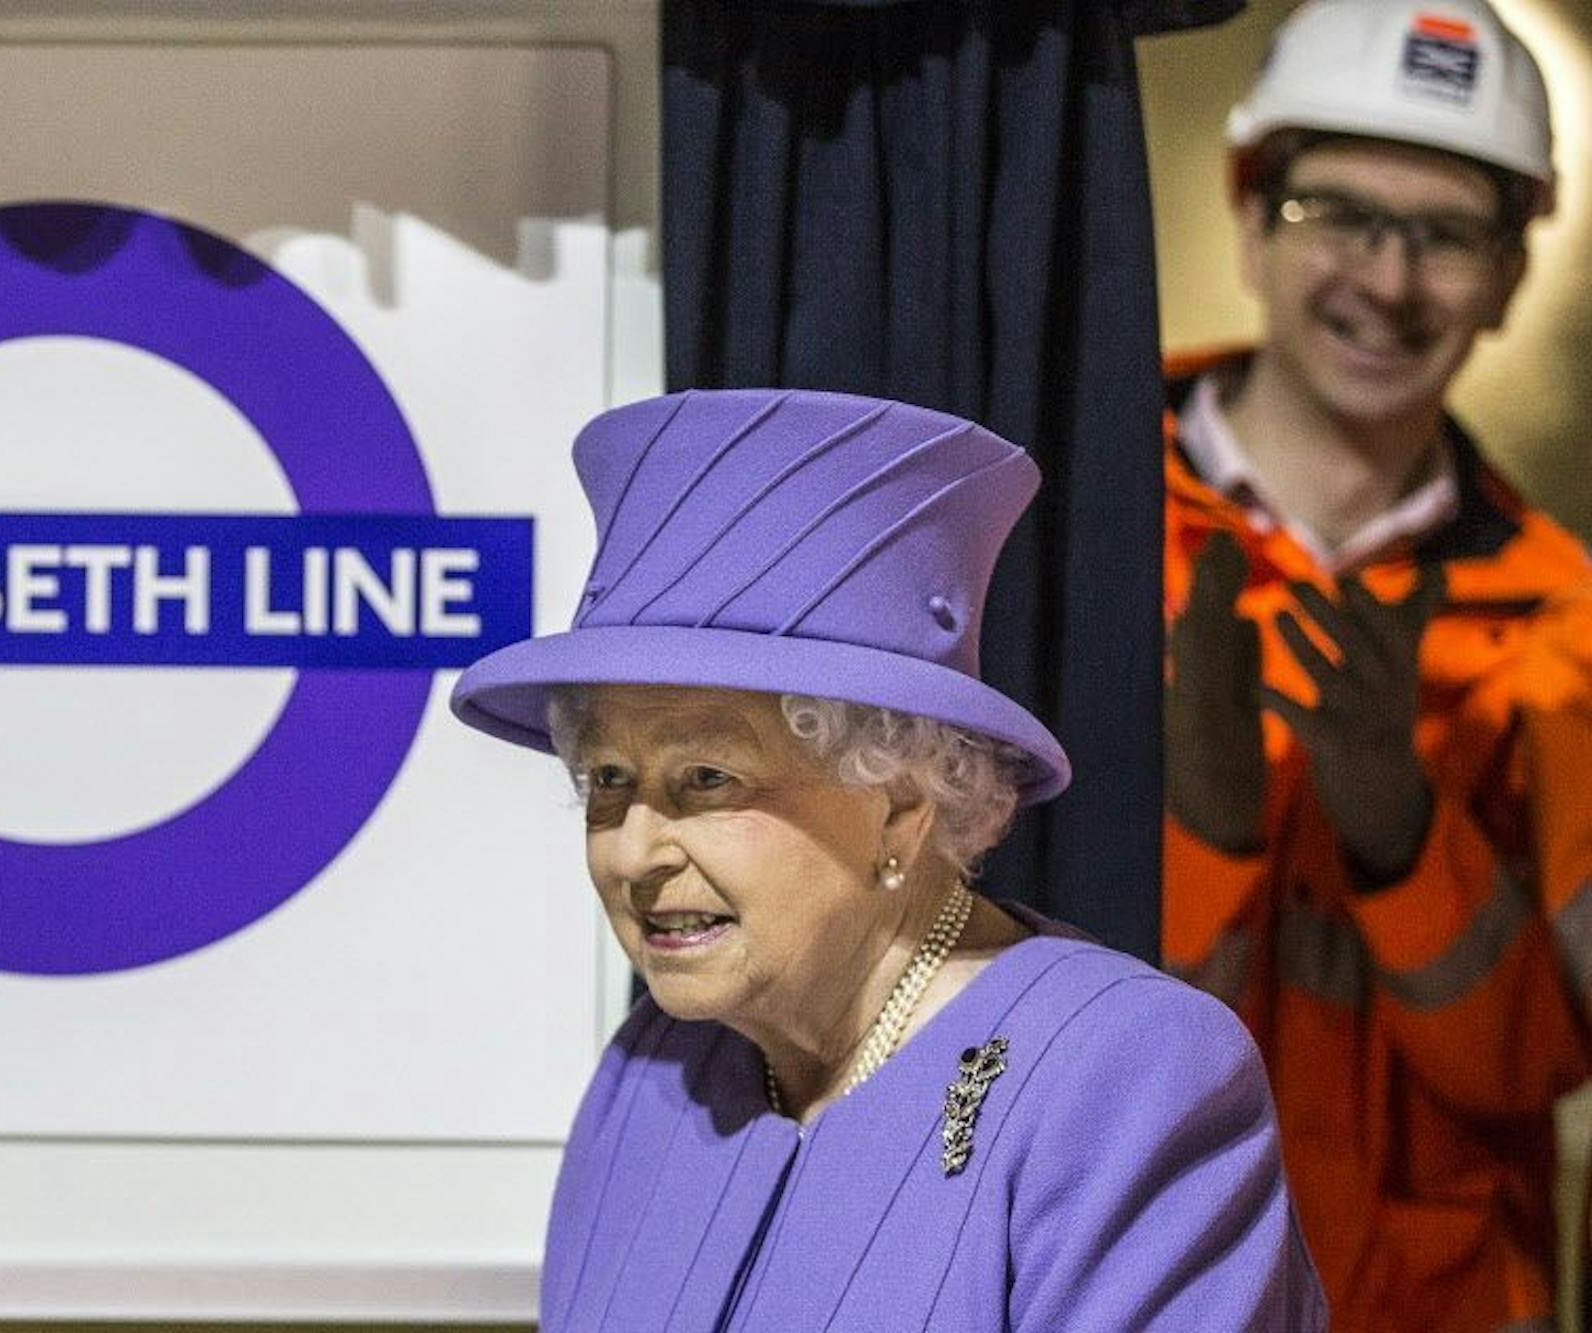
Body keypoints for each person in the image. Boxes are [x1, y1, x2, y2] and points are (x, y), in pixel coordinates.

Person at [452, 389, 1327, 1330]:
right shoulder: (655, 1071)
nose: (633, 849)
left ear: (902, 806)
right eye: (610, 778)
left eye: (705, 777)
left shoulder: (1124, 1075)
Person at [1159, 2, 1592, 1328]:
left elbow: (1543, 1063)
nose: (1391, 284)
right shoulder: (1073, 521)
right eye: (1340, 214)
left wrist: (1400, 833)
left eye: (1449, 234)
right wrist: (1206, 827)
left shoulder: (1570, 624)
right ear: (1250, 212)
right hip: (1132, 1284)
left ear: (1515, 269)